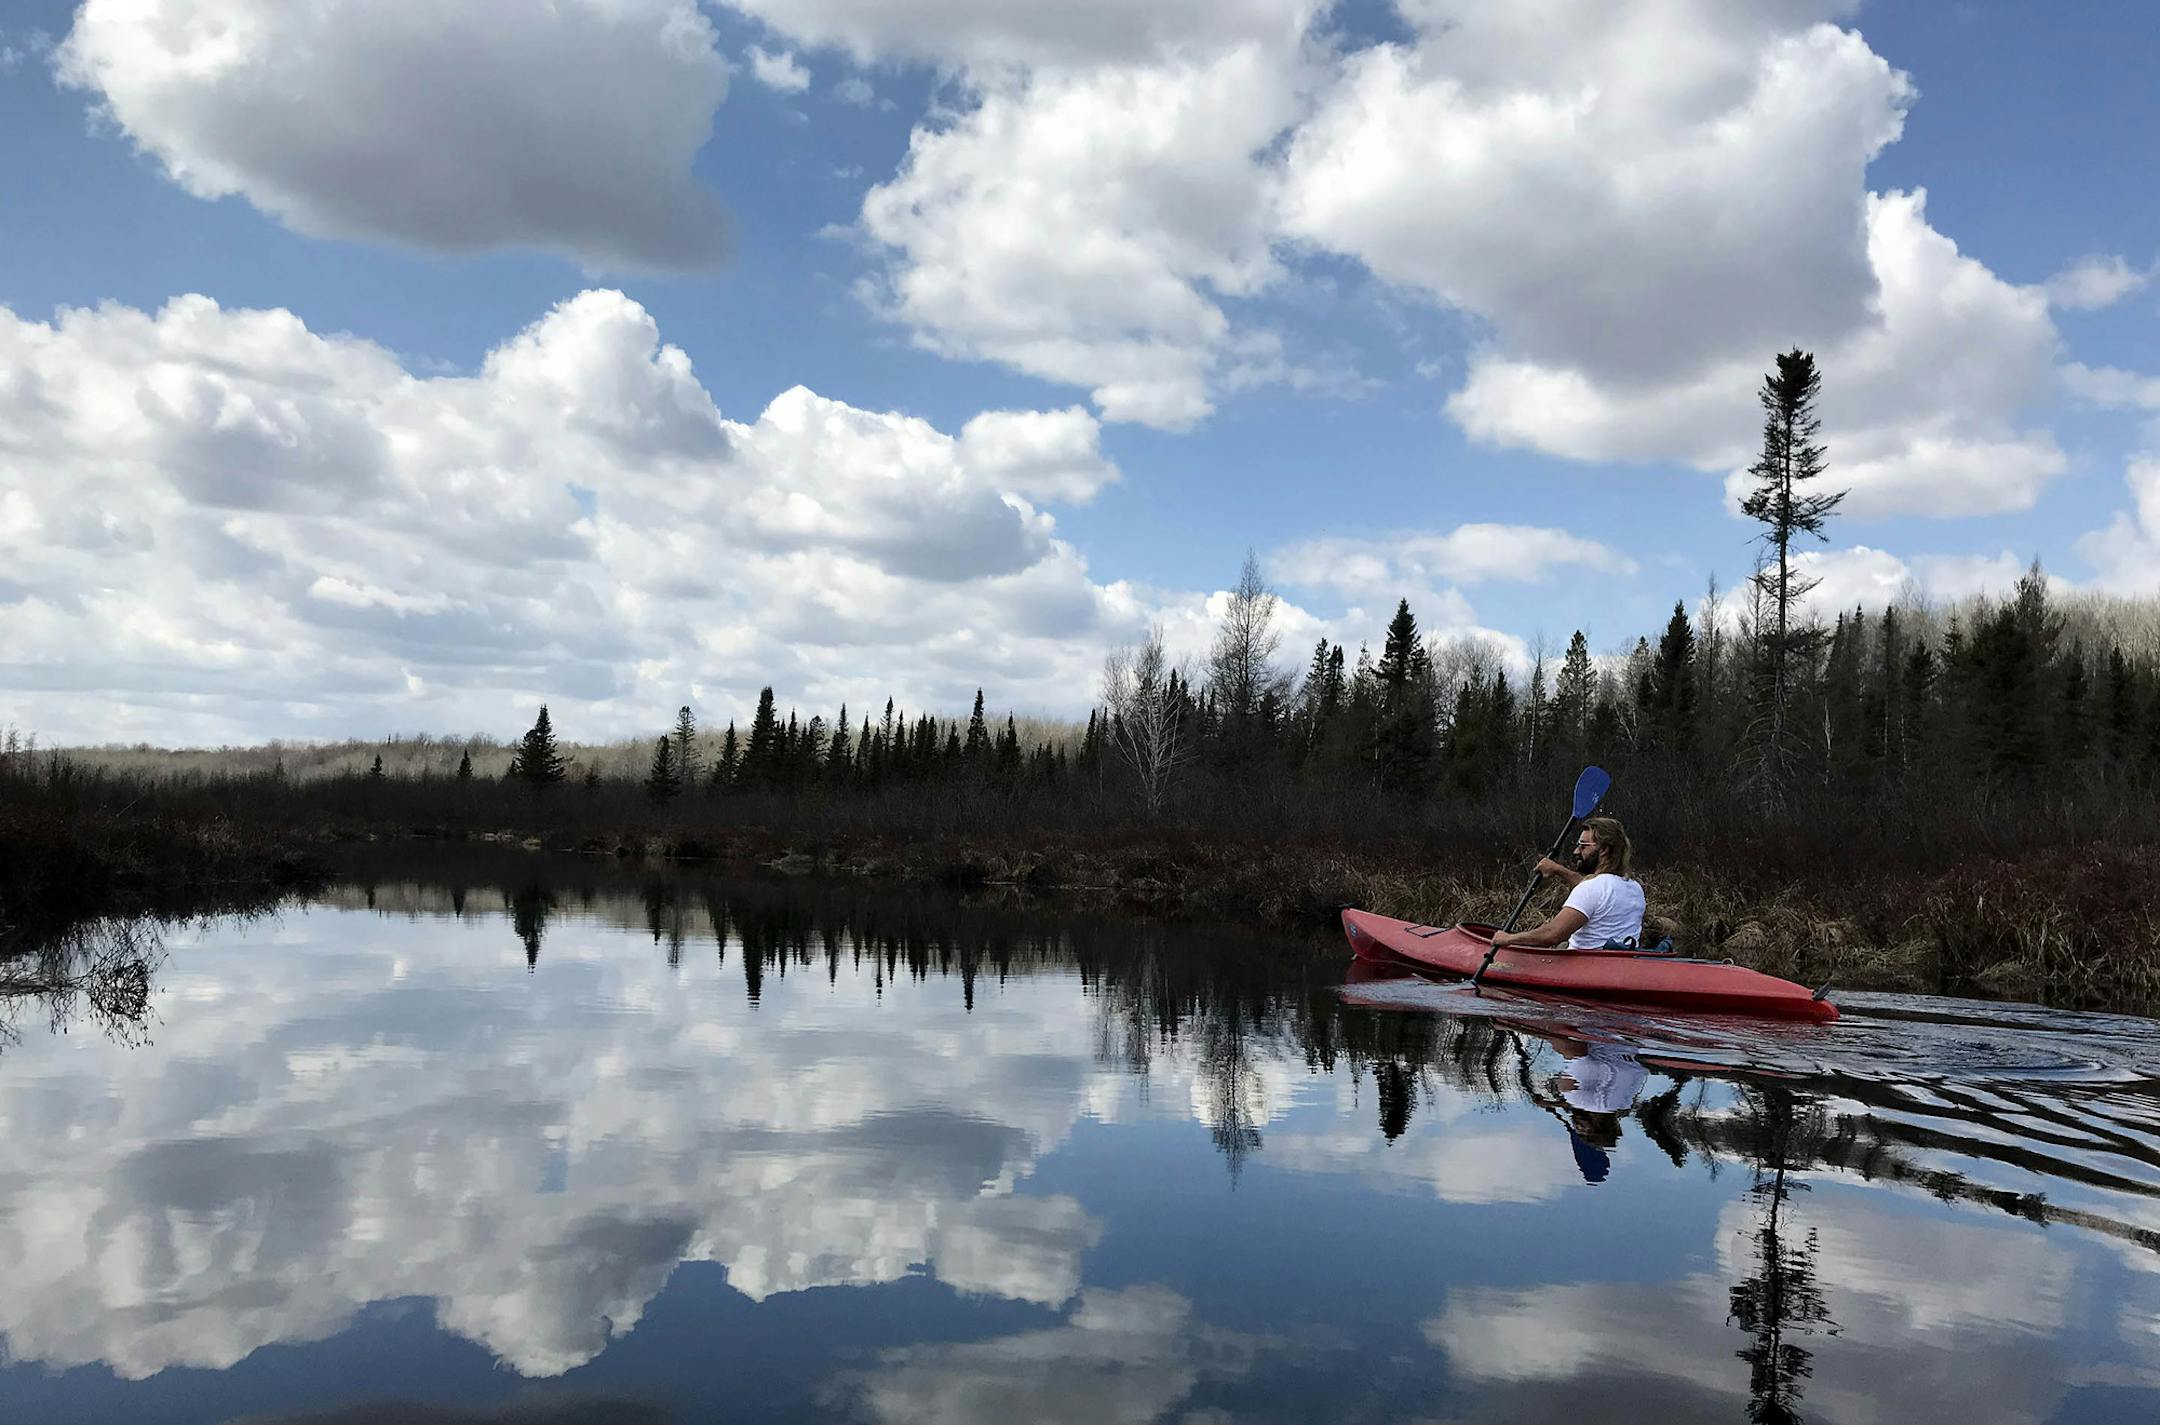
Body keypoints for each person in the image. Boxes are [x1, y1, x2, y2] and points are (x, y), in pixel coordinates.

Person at [1486, 815, 1644, 951]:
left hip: (1584, 967)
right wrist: (1558, 869)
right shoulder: (1634, 888)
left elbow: (1552, 935)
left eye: (1583, 846)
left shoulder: (1592, 888)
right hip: (1621, 964)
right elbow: (1598, 894)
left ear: (1603, 850)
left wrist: (1509, 939)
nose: (1576, 851)